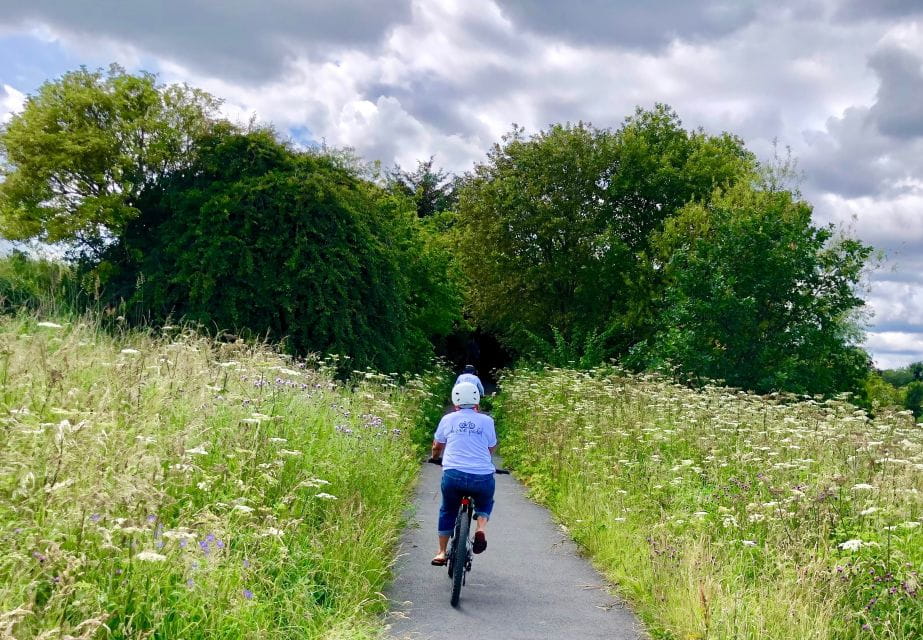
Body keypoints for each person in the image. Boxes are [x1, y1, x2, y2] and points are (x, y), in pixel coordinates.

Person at [429, 381, 497, 566]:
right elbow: (491, 447)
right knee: (485, 502)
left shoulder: (448, 419)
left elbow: (437, 446)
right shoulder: (487, 421)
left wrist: (435, 457)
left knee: (448, 510)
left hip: (454, 476)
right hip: (482, 476)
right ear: (476, 400)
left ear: (455, 400)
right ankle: (480, 528)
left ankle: (441, 552)